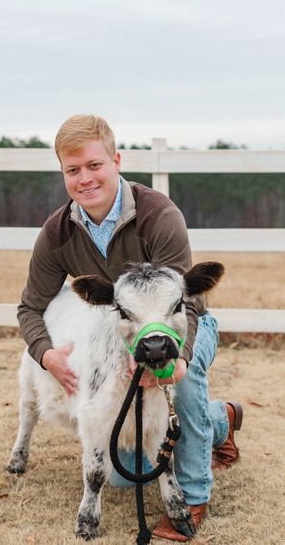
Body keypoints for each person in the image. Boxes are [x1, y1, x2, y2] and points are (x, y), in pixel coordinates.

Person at [17, 114, 243, 541]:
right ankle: (218, 422)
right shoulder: (56, 233)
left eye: (94, 165)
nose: (85, 179)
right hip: (121, 342)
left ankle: (192, 498)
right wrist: (46, 355)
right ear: (63, 173)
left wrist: (179, 360)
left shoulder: (159, 215)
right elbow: (30, 306)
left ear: (116, 160)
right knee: (127, 475)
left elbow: (187, 302)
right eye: (73, 170)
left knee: (184, 383)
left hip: (181, 329)